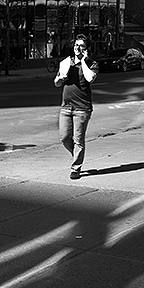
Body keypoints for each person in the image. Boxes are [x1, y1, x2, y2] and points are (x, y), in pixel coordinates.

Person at [53, 34, 99, 180]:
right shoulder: (66, 62)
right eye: (76, 45)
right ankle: (77, 155)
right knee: (64, 137)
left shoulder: (92, 64)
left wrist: (84, 61)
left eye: (81, 46)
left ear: (86, 49)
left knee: (78, 140)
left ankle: (76, 168)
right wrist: (60, 78)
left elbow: (90, 78)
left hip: (82, 108)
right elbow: (56, 83)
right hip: (66, 107)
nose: (78, 48)